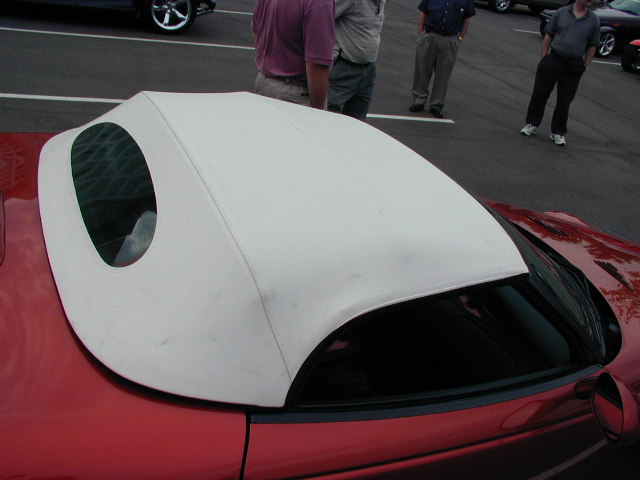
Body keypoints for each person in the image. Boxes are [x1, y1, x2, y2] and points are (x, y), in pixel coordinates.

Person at [520, 0, 600, 146]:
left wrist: (585, 66)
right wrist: (544, 58)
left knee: (564, 101)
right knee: (540, 94)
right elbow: (548, 35)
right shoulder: (561, 13)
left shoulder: (593, 20)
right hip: (553, 60)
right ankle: (532, 123)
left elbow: (593, 45)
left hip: (573, 67)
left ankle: (557, 132)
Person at [252, 0, 335, 110]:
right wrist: (318, 110)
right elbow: (316, 65)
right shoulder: (319, 3)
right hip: (294, 94)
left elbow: (256, 31)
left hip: (264, 83)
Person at [408, 0, 475, 119]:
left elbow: (466, 20)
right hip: (430, 35)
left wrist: (460, 39)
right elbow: (423, 12)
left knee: (443, 74)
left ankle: (436, 105)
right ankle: (419, 100)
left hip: (449, 39)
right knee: (422, 70)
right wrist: (421, 33)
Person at [327, 0, 386, 121]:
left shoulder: (381, 2)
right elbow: (321, 17)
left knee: (357, 123)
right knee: (331, 118)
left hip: (368, 70)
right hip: (344, 68)